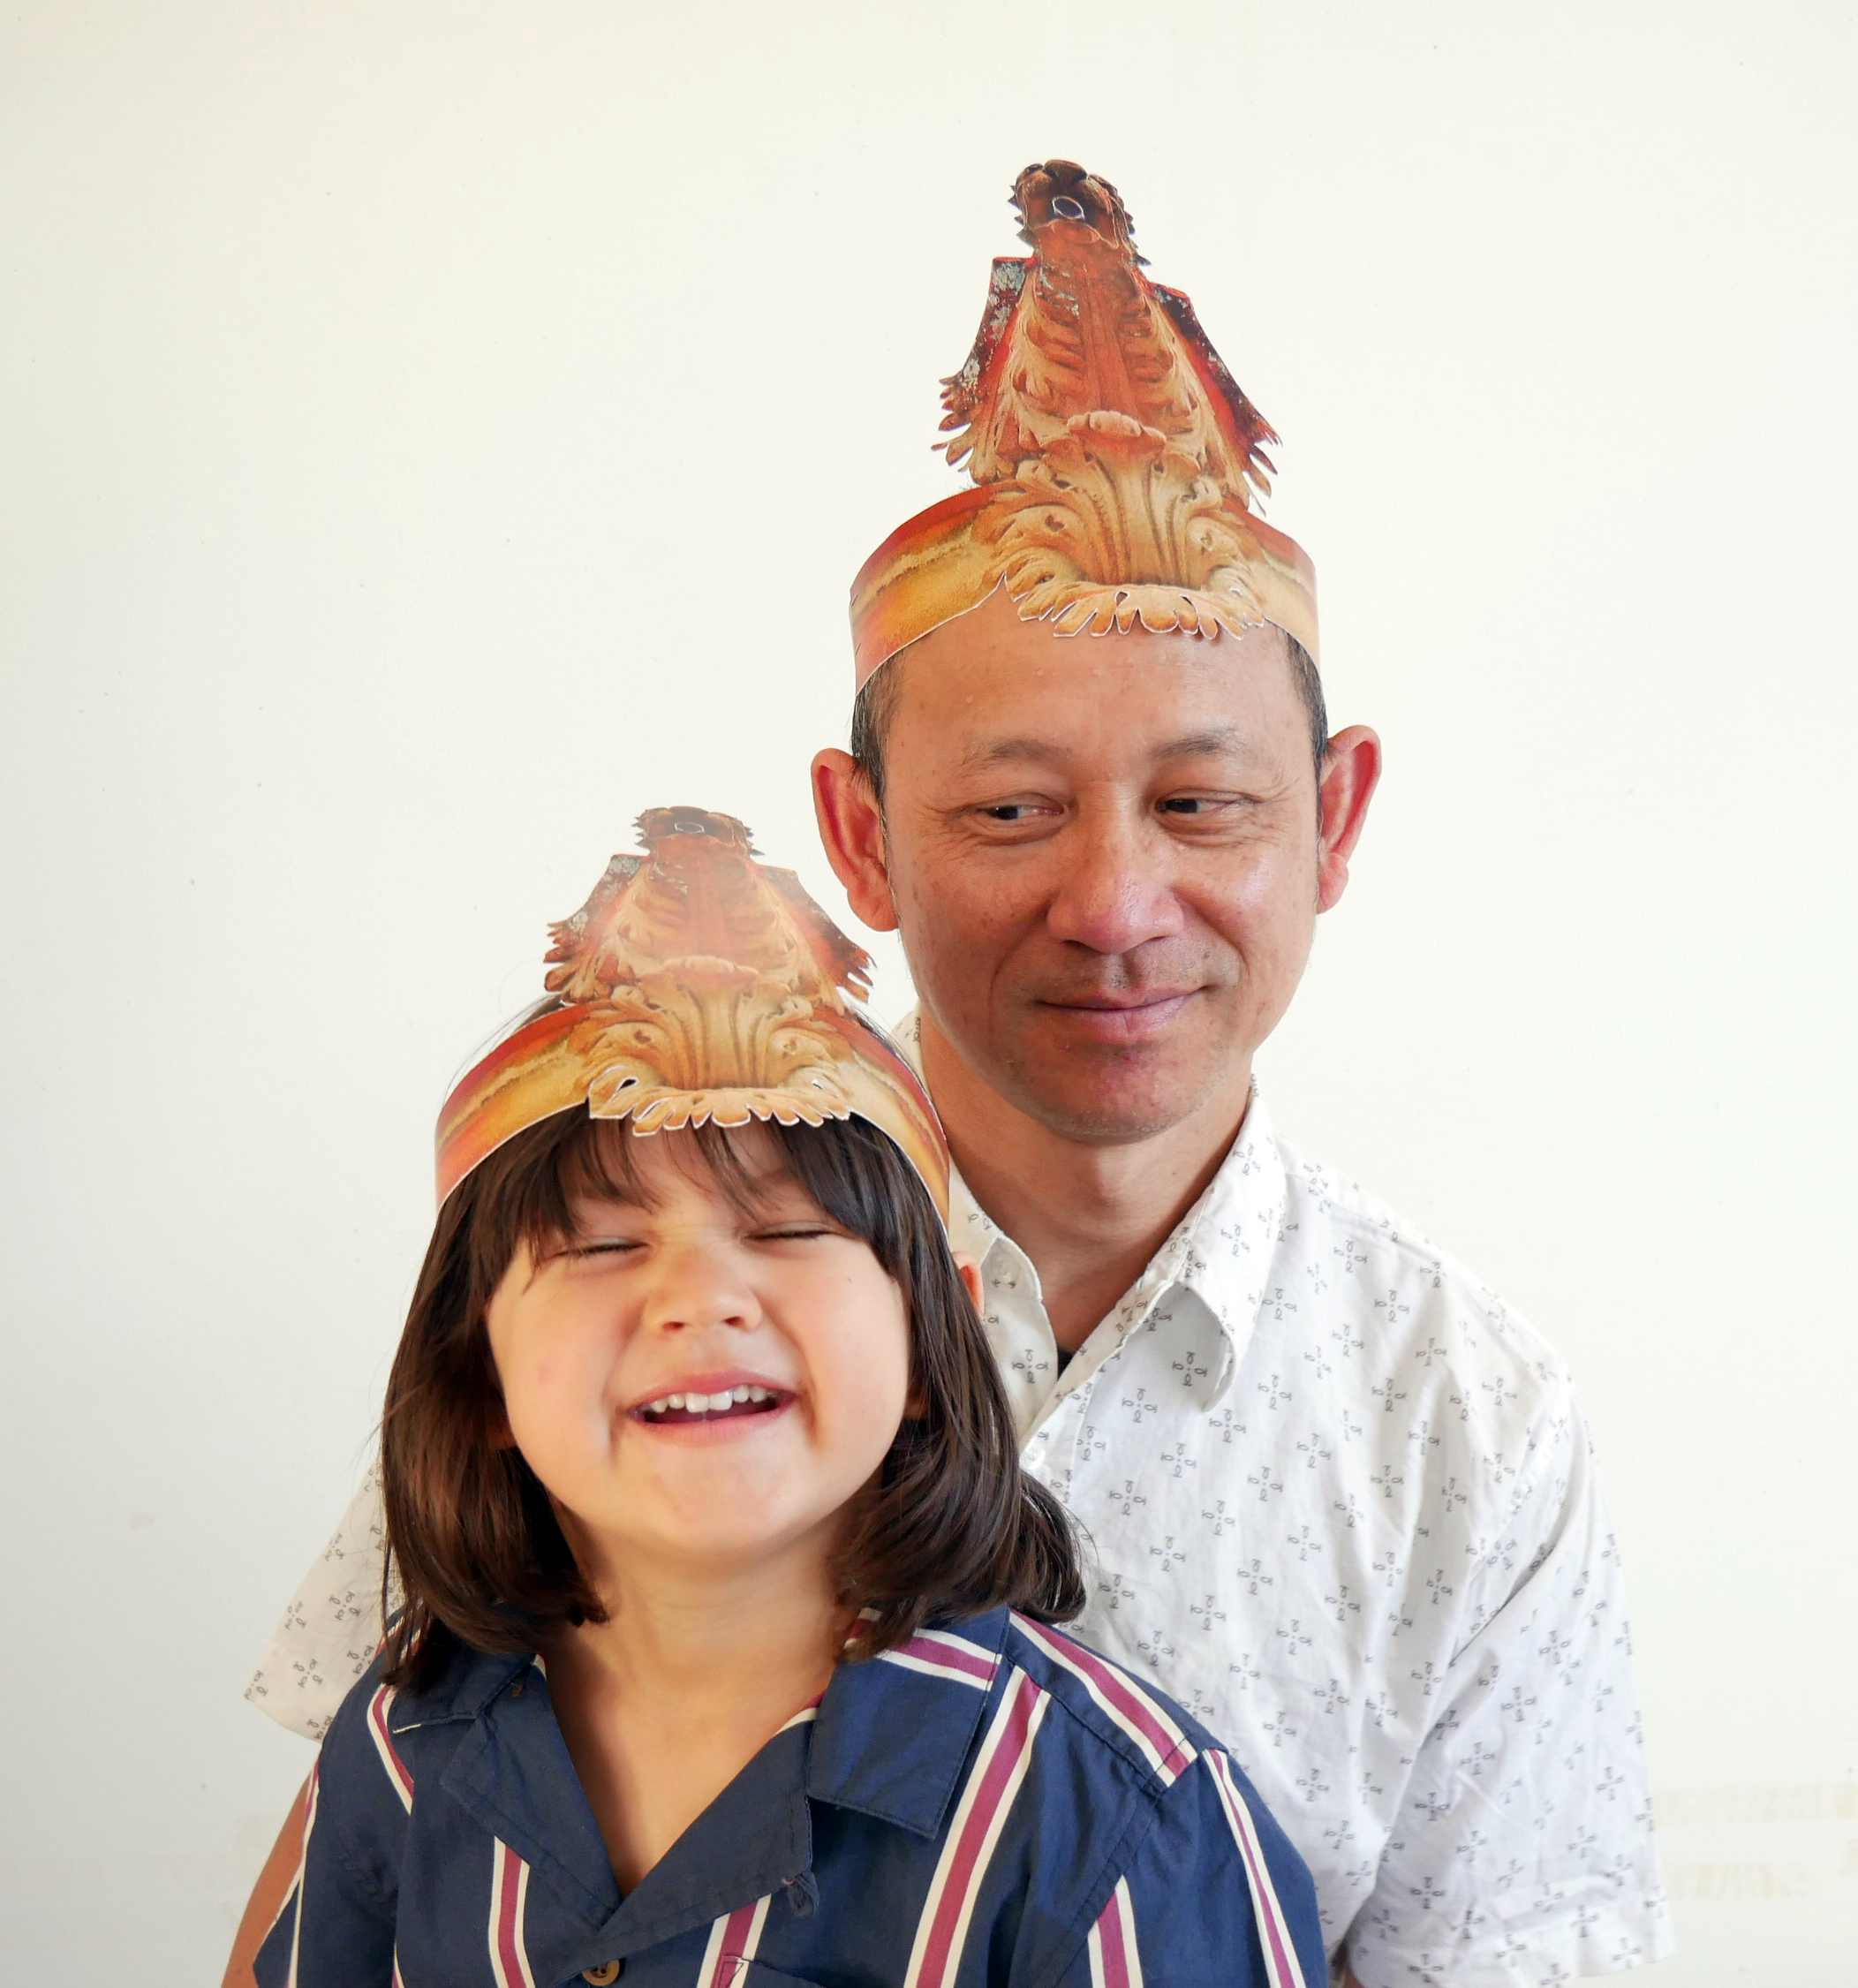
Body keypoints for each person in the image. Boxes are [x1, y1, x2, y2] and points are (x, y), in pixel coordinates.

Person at [238, 164, 1673, 1984]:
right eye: (1006, 809)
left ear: (1332, 819)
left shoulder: (1459, 1424)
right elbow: (361, 1856)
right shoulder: (611, 1267)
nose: (1114, 904)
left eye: (1202, 803)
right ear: (859, 838)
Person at [251, 805, 1326, 1987]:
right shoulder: (406, 1744)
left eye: (787, 1229)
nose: (700, 1299)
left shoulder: (1124, 1833)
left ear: (935, 1337)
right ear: (479, 1369)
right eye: (603, 1247)